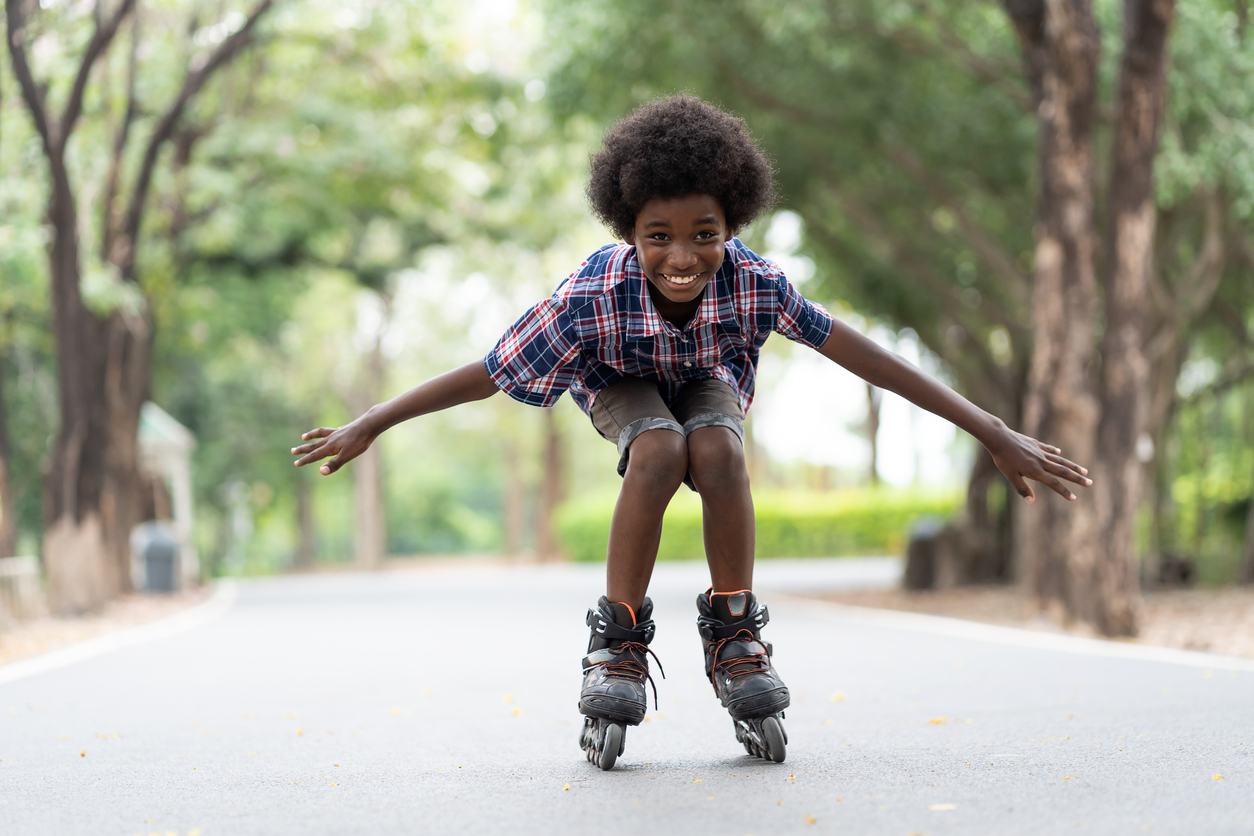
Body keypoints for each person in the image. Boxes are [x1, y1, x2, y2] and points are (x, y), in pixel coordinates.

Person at [290, 95, 1091, 769]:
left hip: (709, 377)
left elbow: (866, 358)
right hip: (619, 382)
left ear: (730, 224)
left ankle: (735, 629)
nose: (682, 255)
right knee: (662, 447)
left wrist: (989, 429)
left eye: (704, 232)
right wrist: (373, 421)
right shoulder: (588, 299)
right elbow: (490, 370)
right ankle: (619, 638)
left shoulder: (755, 284)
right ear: (628, 231)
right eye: (658, 236)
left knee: (715, 447)